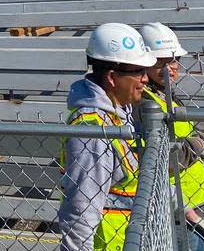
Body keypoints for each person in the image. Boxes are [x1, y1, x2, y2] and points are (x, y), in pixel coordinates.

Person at [59, 23, 156, 251]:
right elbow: (81, 209)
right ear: (112, 77)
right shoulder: (92, 131)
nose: (145, 79)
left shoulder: (120, 112)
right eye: (138, 72)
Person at [138, 23, 204, 251]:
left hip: (188, 199)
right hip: (177, 206)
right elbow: (159, 160)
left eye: (174, 61)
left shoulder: (164, 95)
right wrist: (197, 143)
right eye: (161, 62)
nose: (170, 68)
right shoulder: (145, 102)